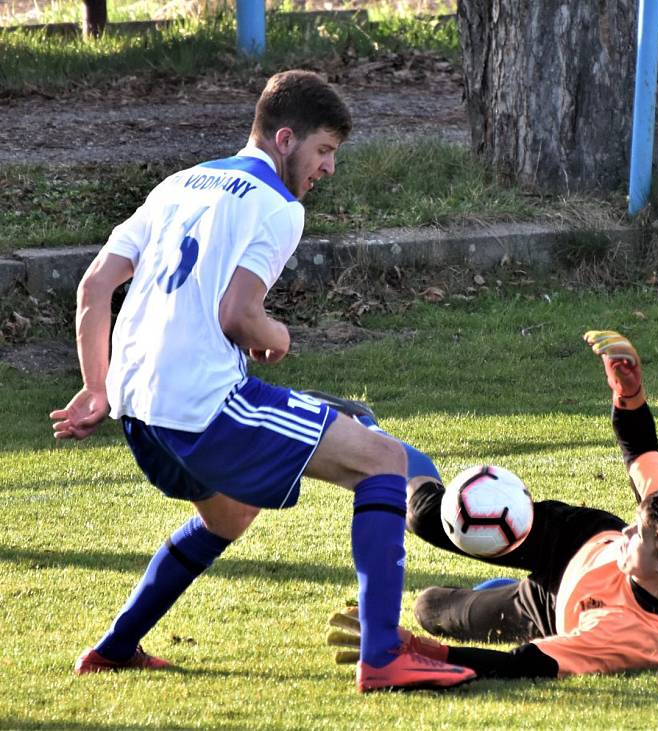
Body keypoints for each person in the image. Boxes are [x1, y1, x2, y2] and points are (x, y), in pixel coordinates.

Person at [49, 70, 474, 693]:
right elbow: (237, 314)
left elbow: (93, 287)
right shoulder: (278, 206)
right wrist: (277, 336)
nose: (328, 168)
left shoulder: (179, 183)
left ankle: (115, 648)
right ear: (284, 138)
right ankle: (383, 657)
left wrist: (96, 387)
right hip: (204, 404)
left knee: (228, 517)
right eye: (324, 151)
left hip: (140, 407)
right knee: (382, 459)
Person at [325, 330, 658, 680]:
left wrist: (417, 648)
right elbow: (640, 448)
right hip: (575, 540)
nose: (627, 530)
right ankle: (368, 432)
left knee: (430, 609)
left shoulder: (630, 637)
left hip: (549, 612)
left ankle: (510, 591)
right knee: (427, 517)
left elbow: (520, 666)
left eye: (638, 535)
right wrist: (629, 388)